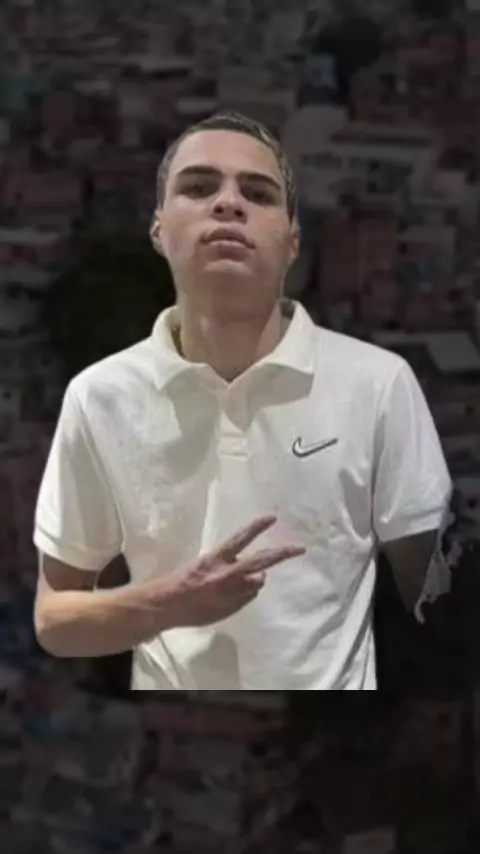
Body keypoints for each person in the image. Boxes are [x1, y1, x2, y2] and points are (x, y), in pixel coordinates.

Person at [33, 111, 452, 690]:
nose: (228, 204)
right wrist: (171, 604)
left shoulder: (378, 384)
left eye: (258, 193)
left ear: (292, 241)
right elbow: (54, 620)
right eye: (199, 187)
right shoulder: (100, 395)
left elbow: (435, 603)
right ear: (158, 227)